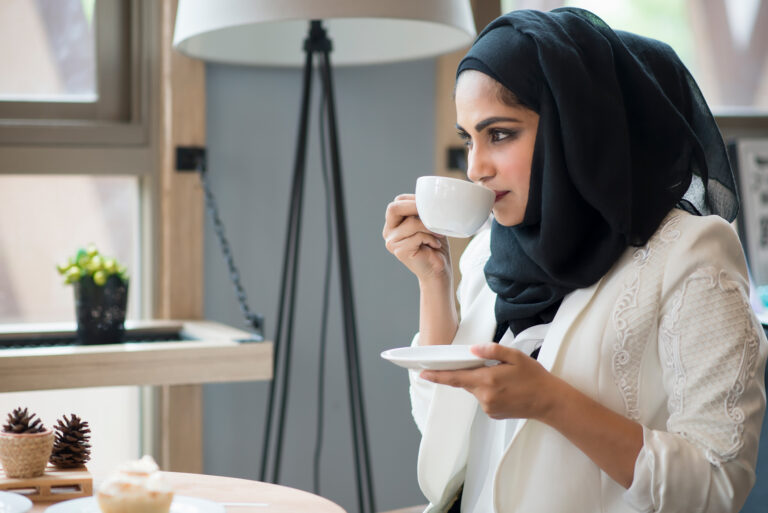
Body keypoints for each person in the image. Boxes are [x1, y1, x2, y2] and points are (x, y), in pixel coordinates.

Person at [382, 7, 768, 513]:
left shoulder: (692, 254)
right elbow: (446, 436)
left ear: (576, 125)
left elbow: (717, 485)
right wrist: (434, 284)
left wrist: (550, 401)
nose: (475, 168)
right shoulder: (488, 251)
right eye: (467, 138)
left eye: (500, 133)